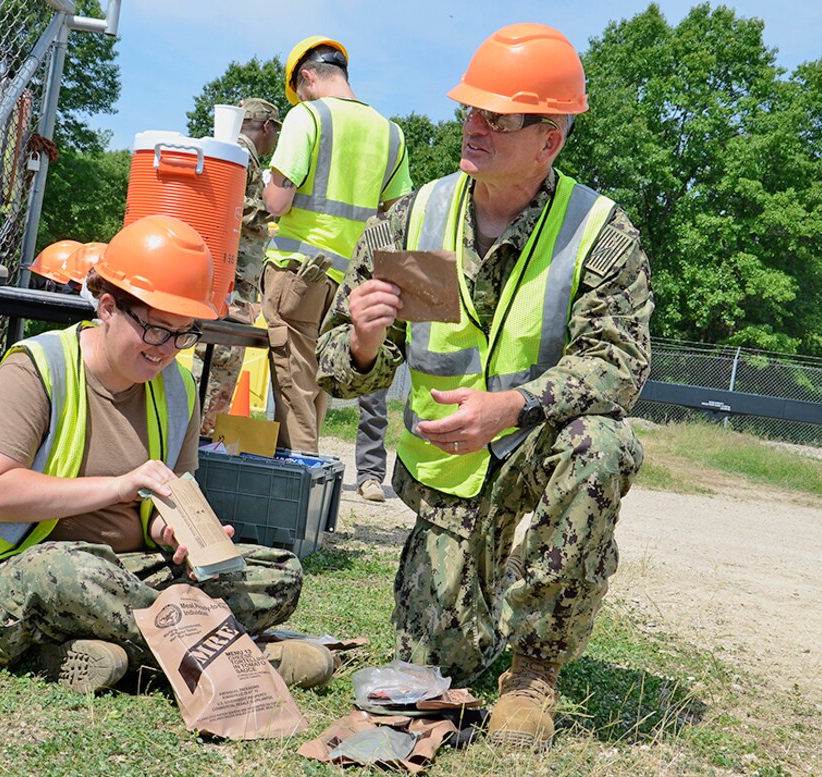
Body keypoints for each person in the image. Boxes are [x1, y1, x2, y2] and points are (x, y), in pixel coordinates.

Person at [316, 23, 653, 750]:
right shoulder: (413, 218)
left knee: (604, 442)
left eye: (499, 117)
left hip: (534, 453)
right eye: (471, 110)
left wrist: (515, 406)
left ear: (550, 139)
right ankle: (480, 610)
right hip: (445, 479)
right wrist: (368, 339)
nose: (475, 126)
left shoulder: (600, 232)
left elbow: (620, 363)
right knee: (436, 665)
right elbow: (333, 365)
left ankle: (533, 670)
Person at [0, 215, 332, 693]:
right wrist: (117, 485)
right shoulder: (36, 368)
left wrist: (184, 536)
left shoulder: (177, 390)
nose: (169, 349)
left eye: (183, 333)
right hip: (18, 578)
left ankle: (96, 655)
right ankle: (235, 658)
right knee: (71, 571)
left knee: (277, 573)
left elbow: (162, 504)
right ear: (108, 307)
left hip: (127, 576)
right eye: (156, 330)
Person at [262, 36, 412, 453]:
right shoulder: (391, 133)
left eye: (300, 89)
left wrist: (264, 187)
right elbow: (397, 214)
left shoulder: (307, 117)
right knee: (319, 379)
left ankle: (298, 481)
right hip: (350, 281)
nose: (301, 97)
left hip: (297, 271)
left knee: (294, 381)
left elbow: (277, 201)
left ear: (307, 76)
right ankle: (307, 483)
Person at [192, 97, 281, 434]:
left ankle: (200, 436)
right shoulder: (241, 156)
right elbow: (237, 207)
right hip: (233, 283)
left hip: (233, 283)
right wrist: (280, 207)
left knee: (217, 363)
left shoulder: (239, 154)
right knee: (221, 365)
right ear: (267, 127)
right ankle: (201, 441)